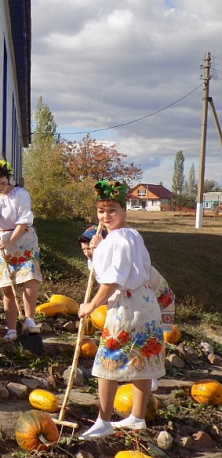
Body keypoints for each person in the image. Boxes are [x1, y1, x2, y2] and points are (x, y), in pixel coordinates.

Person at [77, 180, 166, 440]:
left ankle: (103, 421)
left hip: (127, 304)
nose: (106, 216)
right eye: (101, 211)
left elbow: (113, 280)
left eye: (112, 210)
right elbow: (115, 269)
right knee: (141, 359)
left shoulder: (118, 239)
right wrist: (94, 251)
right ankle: (137, 417)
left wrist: (91, 305)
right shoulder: (129, 235)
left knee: (107, 362)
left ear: (124, 211)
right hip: (145, 303)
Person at [78, 224, 174, 393]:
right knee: (133, 340)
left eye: (90, 248)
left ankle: (149, 376)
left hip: (154, 298)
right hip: (132, 302)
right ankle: (140, 375)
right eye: (84, 249)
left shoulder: (123, 255)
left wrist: (92, 306)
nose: (87, 252)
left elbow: (112, 282)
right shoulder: (99, 257)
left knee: (144, 340)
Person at [0, 159, 42, 341]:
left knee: (29, 277)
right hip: (0, 239)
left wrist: (10, 242)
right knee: (7, 285)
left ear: (9, 179)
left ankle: (30, 320)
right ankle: (12, 329)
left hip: (22, 239)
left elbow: (23, 222)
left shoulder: (20, 194)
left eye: (3, 183)